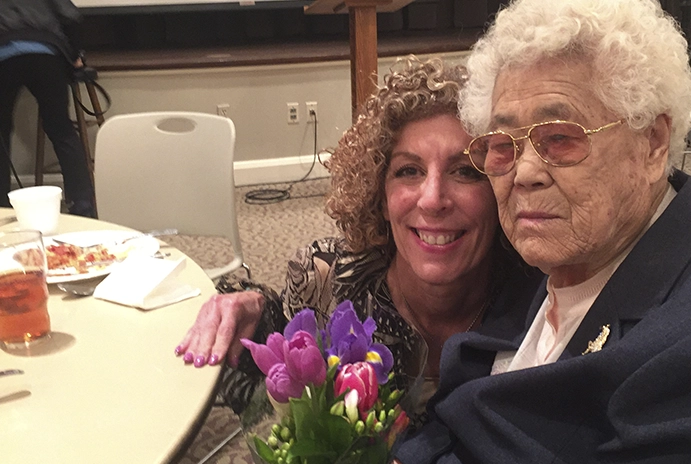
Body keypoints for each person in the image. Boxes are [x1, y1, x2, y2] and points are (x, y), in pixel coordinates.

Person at [394, 0, 691, 464]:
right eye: (503, 144)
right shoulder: (561, 251)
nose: (524, 173)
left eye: (560, 138)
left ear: (654, 142)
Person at [175, 57, 543, 417]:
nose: (432, 199)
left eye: (464, 171)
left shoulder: (541, 307)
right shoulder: (327, 279)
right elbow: (282, 351)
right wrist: (251, 309)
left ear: (499, 191)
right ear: (379, 196)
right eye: (409, 171)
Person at [0, 0, 96, 218]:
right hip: (45, 54)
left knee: (1, 135)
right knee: (61, 129)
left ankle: (2, 209)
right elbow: (71, 17)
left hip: (2, 57)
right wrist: (75, 56)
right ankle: (82, 204)